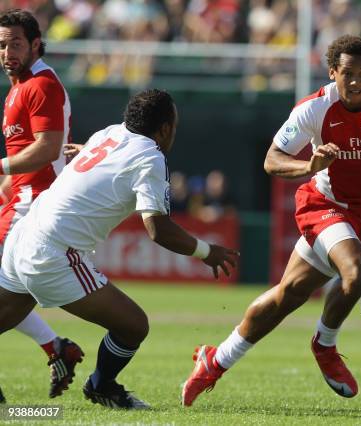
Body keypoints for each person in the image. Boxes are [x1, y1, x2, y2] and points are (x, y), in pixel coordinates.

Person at [181, 34, 361, 406]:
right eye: (348, 73)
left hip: (356, 212)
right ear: (332, 72)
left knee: (288, 296)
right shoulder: (315, 107)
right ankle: (325, 346)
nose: (356, 82)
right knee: (357, 270)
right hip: (322, 203)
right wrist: (310, 165)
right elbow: (272, 160)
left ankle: (216, 359)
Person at [0, 89, 239, 409]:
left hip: (22, 235)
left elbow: (108, 162)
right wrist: (207, 252)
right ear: (166, 128)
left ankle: (101, 384)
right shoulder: (150, 156)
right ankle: (102, 385)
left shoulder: (109, 133)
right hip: (52, 251)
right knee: (133, 325)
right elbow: (158, 230)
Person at [0, 9, 84, 401]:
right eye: (2, 44)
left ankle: (57, 348)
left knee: (10, 297)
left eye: (15, 43)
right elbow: (29, 151)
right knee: (8, 297)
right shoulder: (20, 85)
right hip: (20, 198)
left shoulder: (39, 85)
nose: (6, 52)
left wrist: (2, 167)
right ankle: (57, 349)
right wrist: (6, 179)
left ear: (35, 43)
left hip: (32, 206)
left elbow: (47, 148)